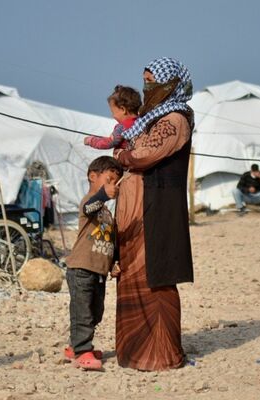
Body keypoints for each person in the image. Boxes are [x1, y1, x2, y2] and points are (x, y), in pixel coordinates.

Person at [114, 57, 194, 371]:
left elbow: (145, 155)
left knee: (156, 279)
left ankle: (161, 354)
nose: (147, 87)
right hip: (138, 211)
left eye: (153, 82)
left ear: (170, 85)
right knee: (133, 276)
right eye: (144, 80)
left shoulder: (174, 119)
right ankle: (134, 350)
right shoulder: (150, 119)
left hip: (157, 210)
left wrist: (121, 154)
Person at [62, 156, 121, 370]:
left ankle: (74, 346)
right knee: (83, 313)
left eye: (116, 182)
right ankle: (82, 351)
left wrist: (114, 261)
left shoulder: (106, 212)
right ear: (92, 176)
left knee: (95, 312)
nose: (113, 185)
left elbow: (110, 239)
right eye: (109, 179)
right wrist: (104, 194)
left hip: (99, 271)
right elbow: (89, 207)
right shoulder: (91, 201)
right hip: (81, 268)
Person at [84, 85, 141, 150]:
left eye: (113, 112)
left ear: (123, 109)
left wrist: (90, 140)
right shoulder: (143, 122)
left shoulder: (121, 128)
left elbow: (108, 143)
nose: (112, 116)